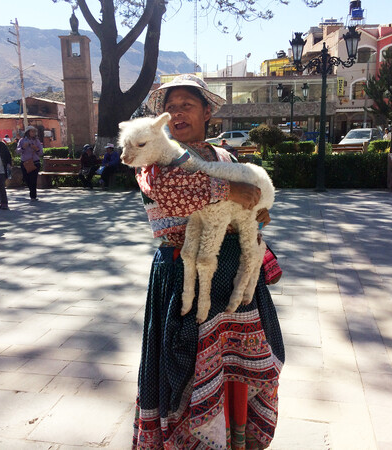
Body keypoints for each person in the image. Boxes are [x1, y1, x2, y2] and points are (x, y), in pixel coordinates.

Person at [132, 74, 284, 449]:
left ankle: (235, 439)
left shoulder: (225, 157)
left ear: (207, 112)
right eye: (169, 107)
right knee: (187, 369)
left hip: (234, 280)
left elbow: (254, 197)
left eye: (186, 105)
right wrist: (230, 190)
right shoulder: (150, 155)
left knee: (237, 373)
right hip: (184, 274)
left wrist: (258, 210)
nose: (177, 113)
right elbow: (172, 194)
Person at [16, 125, 43, 201]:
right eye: (32, 131)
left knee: (33, 179)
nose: (33, 133)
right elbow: (17, 151)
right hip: (25, 162)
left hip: (35, 162)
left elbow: (41, 152)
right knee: (26, 178)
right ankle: (31, 190)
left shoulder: (36, 141)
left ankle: (33, 196)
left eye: (34, 131)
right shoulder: (22, 140)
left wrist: (36, 148)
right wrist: (23, 148)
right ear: (28, 132)